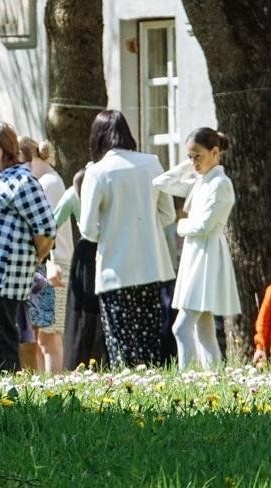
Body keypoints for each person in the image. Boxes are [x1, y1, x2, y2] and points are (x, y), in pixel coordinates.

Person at [79, 110, 177, 368]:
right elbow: (167, 214)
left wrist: (110, 230)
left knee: (121, 344)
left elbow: (88, 230)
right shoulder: (151, 162)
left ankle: (128, 395)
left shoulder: (97, 172)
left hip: (115, 270)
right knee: (151, 342)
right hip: (153, 266)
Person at [0, 121, 56, 372]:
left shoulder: (21, 180)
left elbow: (46, 230)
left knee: (0, 341)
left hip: (3, 277)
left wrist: (32, 258)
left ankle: (9, 399)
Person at [152, 127, 240, 370]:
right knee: (204, 330)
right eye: (190, 157)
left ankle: (188, 378)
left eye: (197, 156)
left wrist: (181, 225)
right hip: (197, 254)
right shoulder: (201, 180)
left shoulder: (220, 183)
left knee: (181, 327)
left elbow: (204, 225)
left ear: (215, 153)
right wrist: (188, 164)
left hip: (207, 255)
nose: (194, 163)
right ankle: (213, 379)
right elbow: (161, 182)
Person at [27, 138, 71, 373]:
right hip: (48, 262)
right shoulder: (45, 180)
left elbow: (47, 229)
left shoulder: (48, 183)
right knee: (40, 335)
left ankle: (54, 381)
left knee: (49, 334)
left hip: (55, 263)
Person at [56, 170, 107, 369]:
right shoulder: (102, 185)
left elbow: (51, 224)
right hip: (102, 249)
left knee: (84, 311)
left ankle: (81, 360)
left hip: (87, 250)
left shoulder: (71, 193)